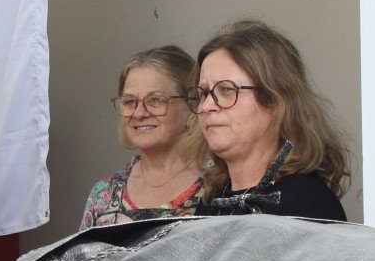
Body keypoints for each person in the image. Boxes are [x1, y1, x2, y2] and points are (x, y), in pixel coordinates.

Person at [194, 19, 350, 221]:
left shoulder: (306, 203)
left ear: (275, 100)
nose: (207, 106)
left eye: (226, 90)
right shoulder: (213, 200)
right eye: (203, 93)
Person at [80, 45, 204, 228]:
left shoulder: (219, 190)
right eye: (130, 102)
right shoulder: (103, 194)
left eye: (155, 100)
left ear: (192, 108)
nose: (139, 113)